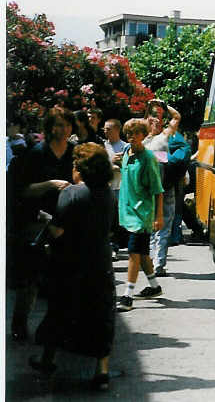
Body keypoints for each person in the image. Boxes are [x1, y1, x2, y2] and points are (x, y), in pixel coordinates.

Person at [28, 143, 115, 391]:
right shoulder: (107, 193)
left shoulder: (71, 193)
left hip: (70, 263)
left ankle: (47, 361)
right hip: (99, 262)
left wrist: (45, 218)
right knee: (101, 316)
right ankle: (102, 372)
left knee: (60, 312)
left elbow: (58, 231)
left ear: (80, 168)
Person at [10, 107, 76, 341]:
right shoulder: (36, 154)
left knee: (64, 278)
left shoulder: (75, 153)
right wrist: (49, 184)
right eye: (58, 125)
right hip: (37, 220)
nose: (64, 129)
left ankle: (58, 330)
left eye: (67, 124)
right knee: (31, 278)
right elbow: (22, 190)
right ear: (49, 128)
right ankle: (19, 324)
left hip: (67, 222)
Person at [117, 118, 164, 312]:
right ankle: (155, 287)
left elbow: (158, 190)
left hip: (142, 215)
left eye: (137, 133)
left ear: (143, 135)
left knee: (133, 253)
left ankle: (127, 296)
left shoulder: (148, 158)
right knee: (143, 254)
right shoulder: (126, 153)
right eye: (129, 133)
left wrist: (158, 216)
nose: (132, 136)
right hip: (127, 212)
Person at [144, 103, 182, 275]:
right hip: (157, 189)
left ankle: (156, 262)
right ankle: (156, 262)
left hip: (158, 189)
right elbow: (176, 117)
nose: (155, 122)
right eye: (153, 119)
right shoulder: (150, 139)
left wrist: (159, 105)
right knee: (157, 227)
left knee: (159, 227)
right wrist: (157, 106)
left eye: (158, 120)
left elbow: (176, 118)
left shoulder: (158, 138)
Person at [104, 119, 128, 253]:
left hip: (121, 187)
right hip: (107, 187)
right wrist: (110, 163)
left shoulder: (125, 146)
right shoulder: (102, 146)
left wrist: (121, 164)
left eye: (108, 129)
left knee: (118, 219)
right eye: (105, 129)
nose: (105, 131)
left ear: (117, 130)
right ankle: (111, 246)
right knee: (108, 218)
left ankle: (116, 245)